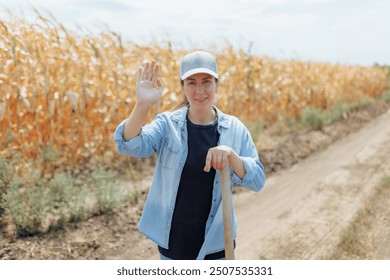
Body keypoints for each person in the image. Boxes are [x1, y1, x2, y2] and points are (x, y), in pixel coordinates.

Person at [114, 51, 265, 260]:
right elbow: (129, 145)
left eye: (207, 81)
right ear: (182, 87)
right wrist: (142, 105)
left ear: (216, 85)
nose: (200, 90)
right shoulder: (167, 125)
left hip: (217, 245)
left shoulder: (235, 129)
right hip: (174, 246)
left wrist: (231, 155)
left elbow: (257, 180)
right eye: (192, 83)